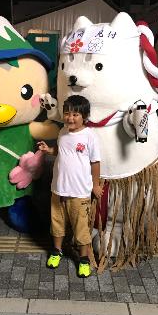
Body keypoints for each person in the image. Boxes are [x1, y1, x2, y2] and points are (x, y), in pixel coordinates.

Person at [37, 95, 102, 278]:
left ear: (85, 116)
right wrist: (48, 150)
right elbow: (61, 151)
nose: (70, 118)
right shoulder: (63, 132)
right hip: (58, 189)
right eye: (67, 114)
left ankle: (83, 260)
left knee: (81, 228)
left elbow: (95, 162)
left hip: (80, 192)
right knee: (57, 223)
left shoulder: (90, 136)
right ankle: (56, 252)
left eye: (75, 114)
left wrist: (95, 185)